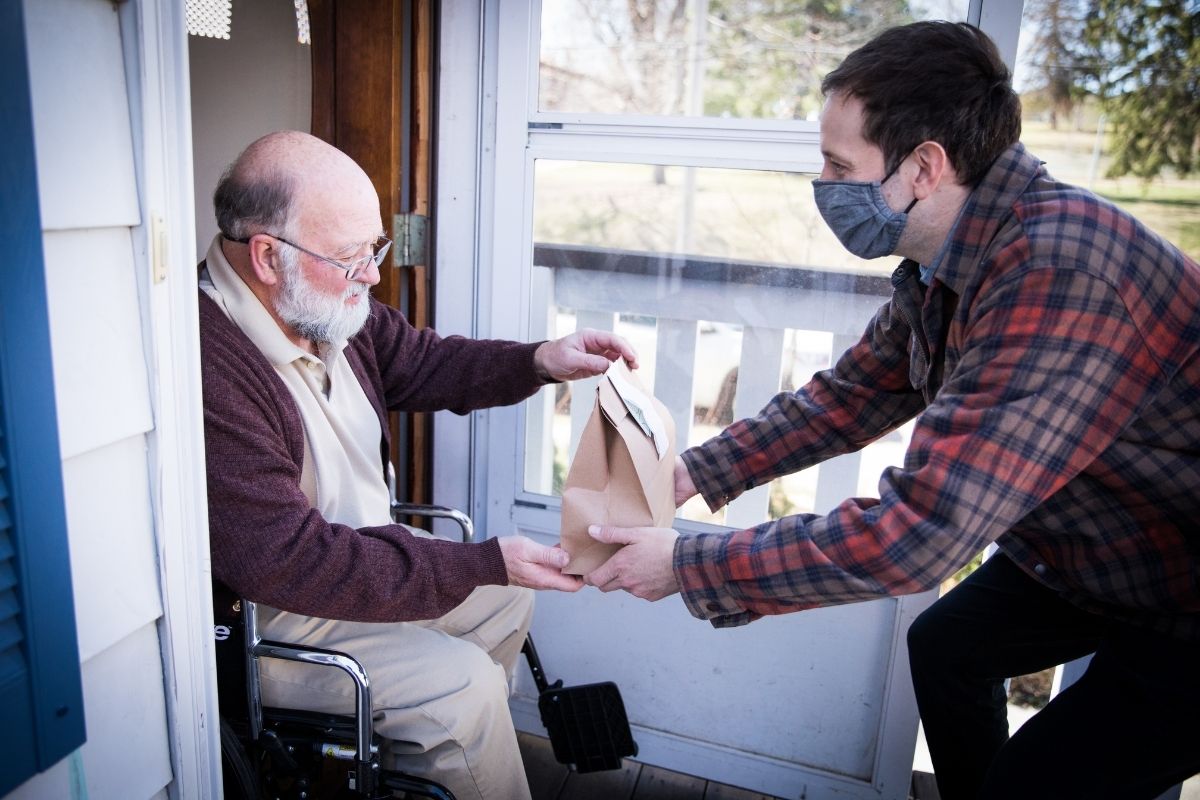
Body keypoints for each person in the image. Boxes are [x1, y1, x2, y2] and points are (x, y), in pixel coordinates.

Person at [581, 21, 1200, 800]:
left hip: (1185, 591)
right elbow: (852, 395)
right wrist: (689, 473)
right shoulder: (951, 259)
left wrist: (685, 564)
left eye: (839, 165)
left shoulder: (1058, 272)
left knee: (1035, 784)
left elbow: (919, 536)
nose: (824, 184)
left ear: (924, 167)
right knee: (948, 648)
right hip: (1101, 549)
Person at [200, 130, 636, 800]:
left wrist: (540, 360)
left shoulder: (321, 304)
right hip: (276, 619)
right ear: (266, 256)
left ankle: (428, 769)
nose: (372, 276)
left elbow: (425, 362)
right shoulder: (211, 362)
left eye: (373, 249)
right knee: (463, 688)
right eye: (353, 258)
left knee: (506, 597)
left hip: (363, 565)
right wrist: (480, 560)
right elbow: (289, 561)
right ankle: (457, 745)